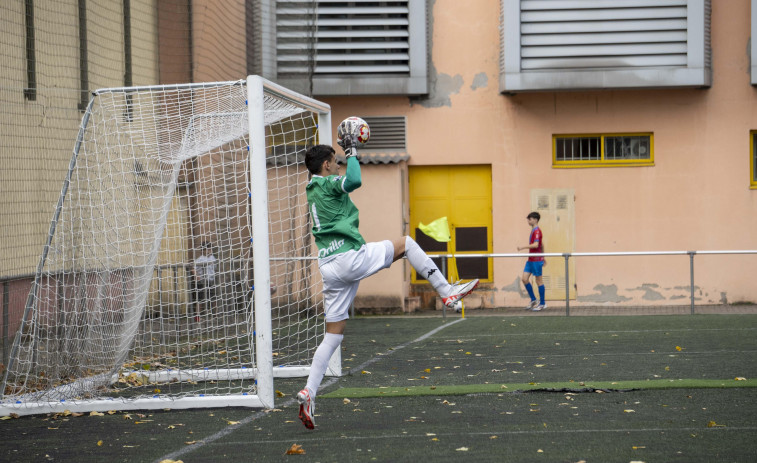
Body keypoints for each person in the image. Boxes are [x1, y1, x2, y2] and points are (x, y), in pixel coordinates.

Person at [296, 133, 479, 430]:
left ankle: (309, 392)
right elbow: (354, 181)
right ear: (327, 164)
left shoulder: (310, 189)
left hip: (328, 266)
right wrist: (353, 150)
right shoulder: (328, 182)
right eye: (337, 162)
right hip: (349, 258)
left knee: (333, 336)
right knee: (406, 243)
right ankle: (447, 292)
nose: (340, 167)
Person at [517, 212, 546, 311]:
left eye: (530, 219)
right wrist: (544, 256)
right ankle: (533, 299)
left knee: (539, 281)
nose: (528, 221)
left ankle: (542, 303)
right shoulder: (533, 230)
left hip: (536, 260)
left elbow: (536, 245)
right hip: (530, 259)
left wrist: (522, 247)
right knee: (524, 279)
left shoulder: (537, 231)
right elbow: (542, 245)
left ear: (535, 220)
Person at [189, 241, 217, 321]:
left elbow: (215, 267)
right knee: (200, 299)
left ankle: (215, 315)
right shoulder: (200, 259)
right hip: (202, 281)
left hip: (211, 280)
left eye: (210, 249)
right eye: (208, 249)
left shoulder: (213, 258)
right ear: (204, 250)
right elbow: (192, 268)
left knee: (213, 298)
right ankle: (197, 316)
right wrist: (196, 275)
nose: (210, 251)